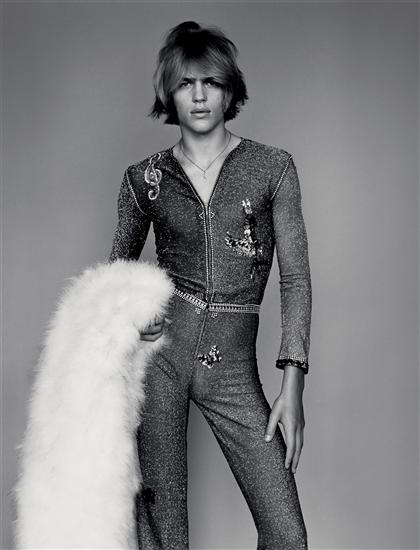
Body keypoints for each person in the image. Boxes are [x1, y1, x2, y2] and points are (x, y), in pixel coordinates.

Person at [108, 20, 312, 550]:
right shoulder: (144, 179)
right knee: (162, 532)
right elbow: (114, 279)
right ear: (169, 94)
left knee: (286, 534)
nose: (198, 96)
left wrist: (293, 385)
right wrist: (132, 314)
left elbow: (295, 278)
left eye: (211, 82)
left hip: (234, 369)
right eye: (185, 84)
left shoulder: (272, 168)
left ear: (229, 90)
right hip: (161, 363)